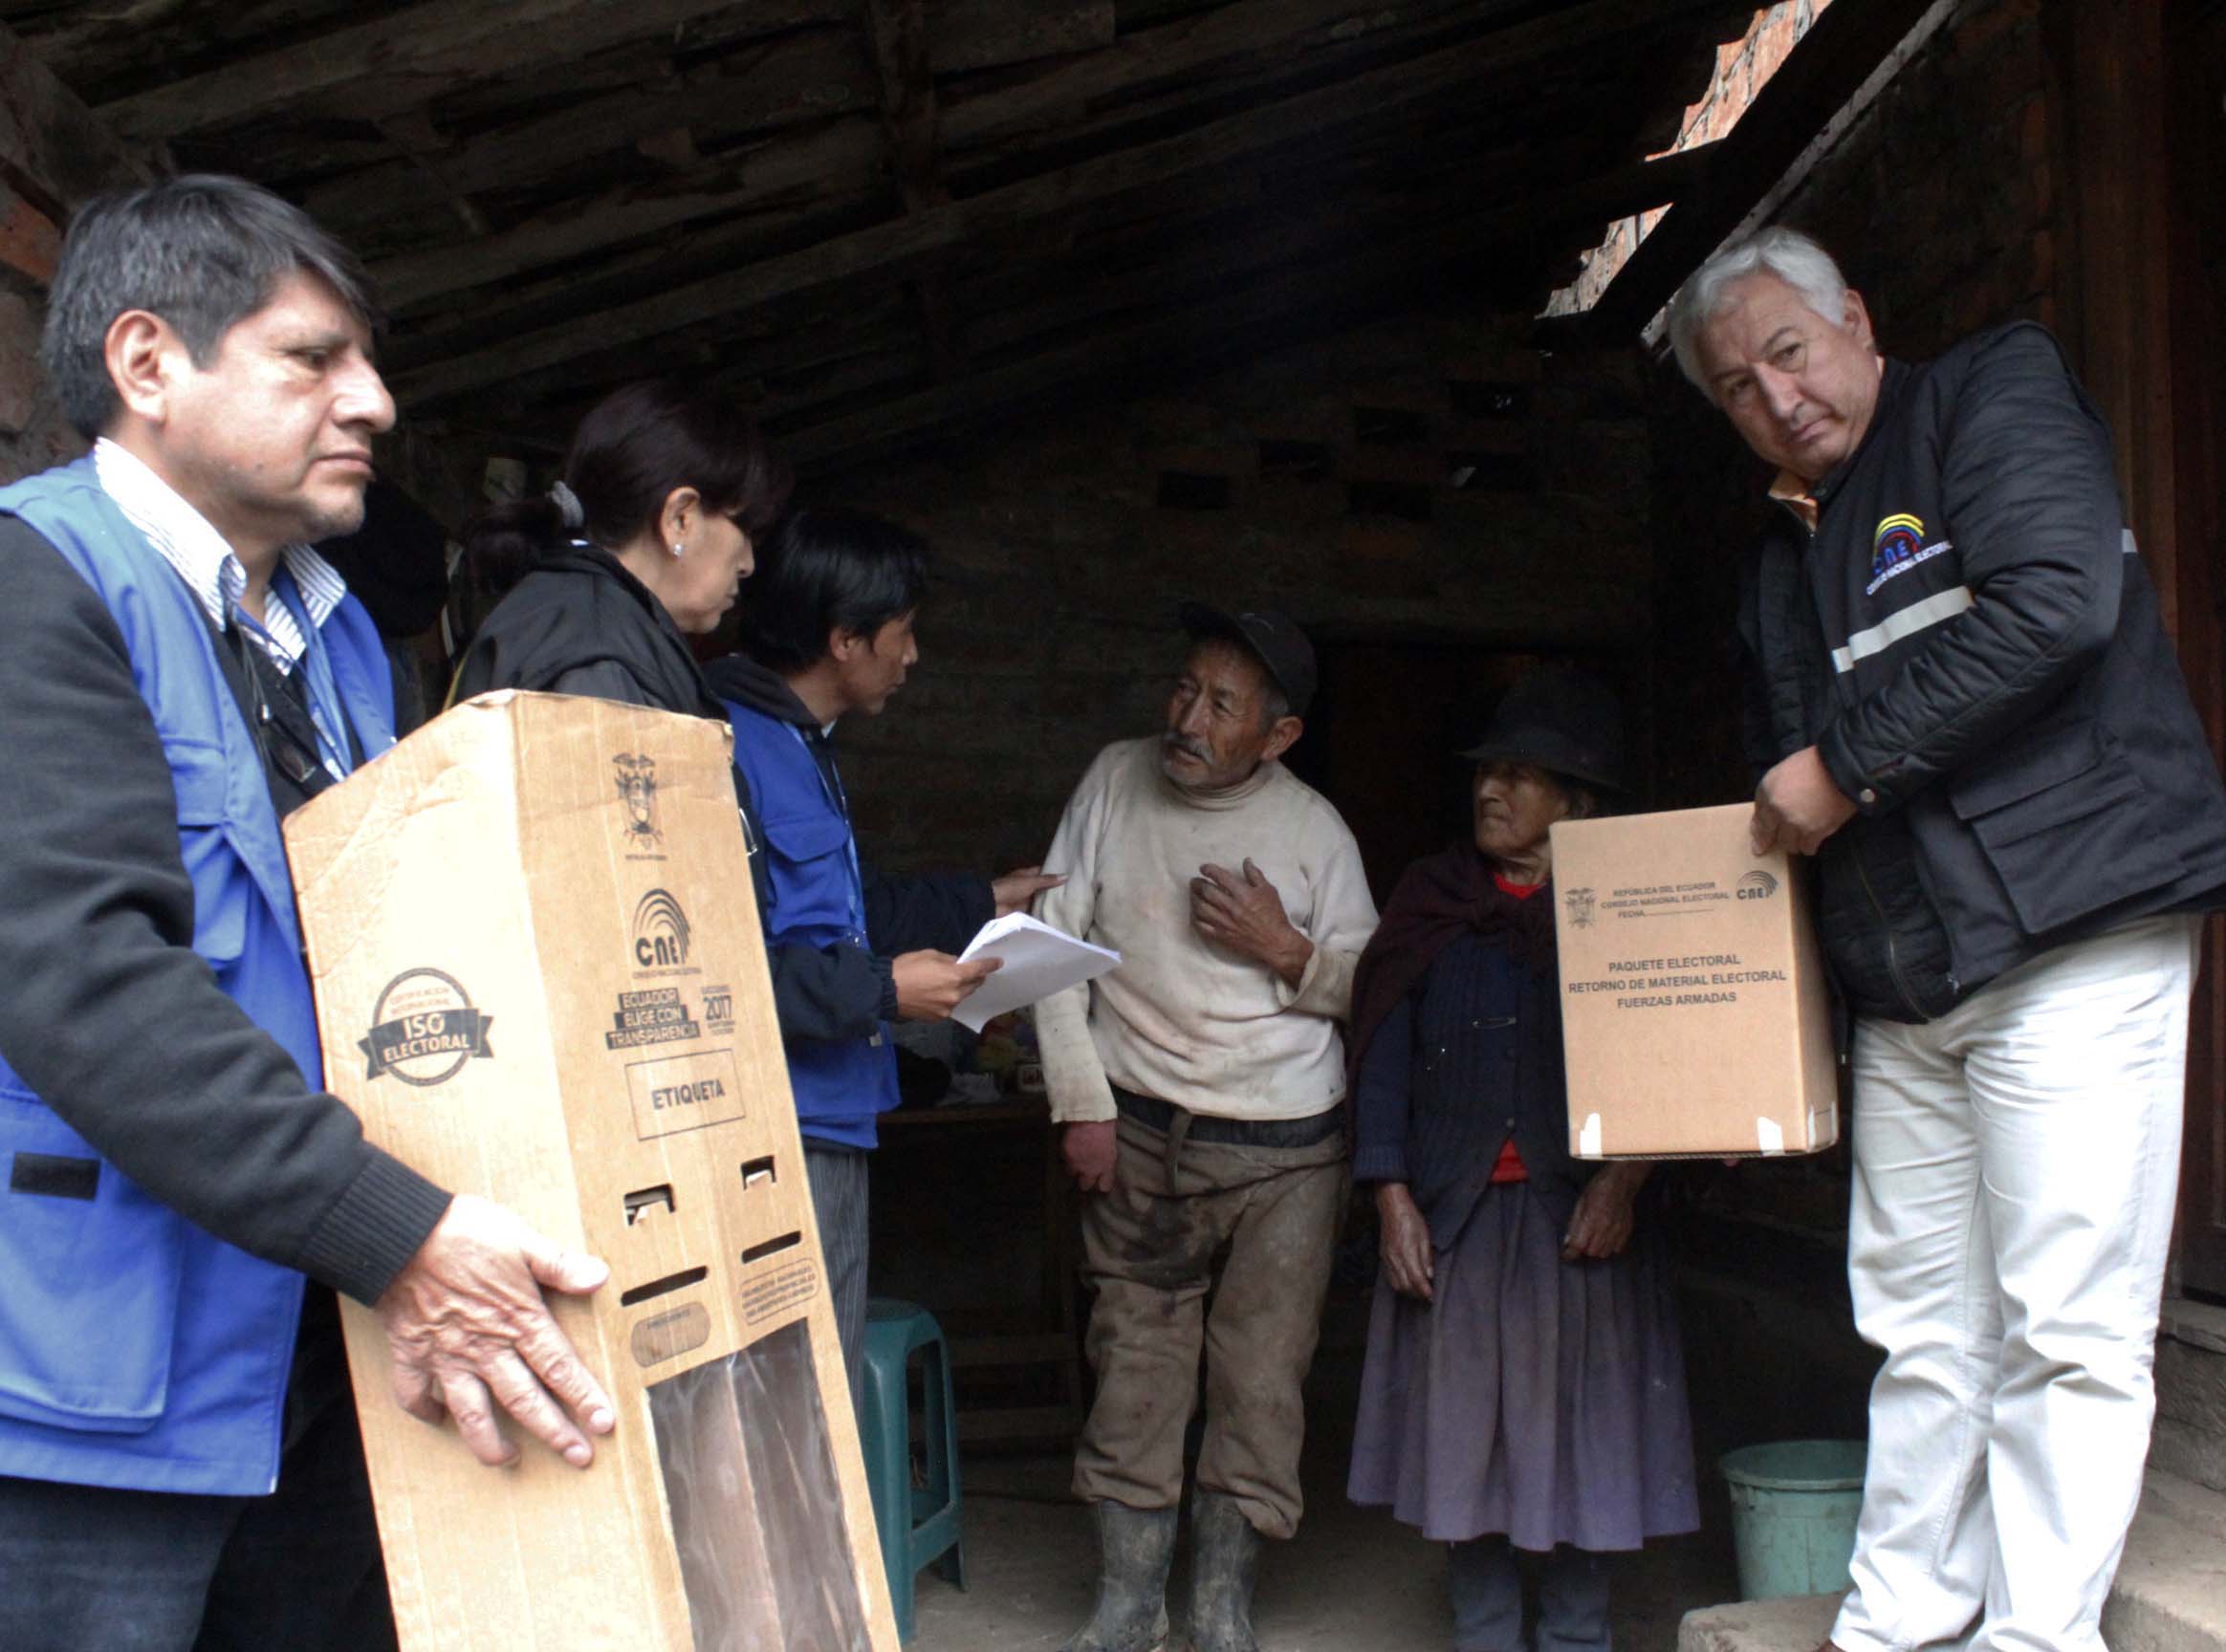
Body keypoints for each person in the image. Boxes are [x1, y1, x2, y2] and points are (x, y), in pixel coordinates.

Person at [0, 174, 619, 1652]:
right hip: (93, 1379)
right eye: (314, 357)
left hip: (318, 1340)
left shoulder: (337, 641)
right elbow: (85, 983)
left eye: (368, 360)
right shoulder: (37, 581)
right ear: (147, 363)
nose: (377, 403)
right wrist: (400, 1234)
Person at [1670, 226, 2226, 1652]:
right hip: (1905, 986)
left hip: (2070, 937)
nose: (1776, 396)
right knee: (1922, 1332)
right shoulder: (1772, 564)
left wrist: (1841, 766)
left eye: (1788, 351)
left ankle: (2036, 1637)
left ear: (1853, 317)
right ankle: (1898, 1621)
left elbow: (2057, 603)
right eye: (1737, 383)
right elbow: (1779, 807)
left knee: (2067, 1328)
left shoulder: (1988, 393)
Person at [1035, 604, 1379, 1652]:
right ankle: (1130, 1606)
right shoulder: (1112, 778)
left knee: (1260, 1380)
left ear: (1276, 736)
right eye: (1186, 688)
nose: (1186, 715)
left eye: (1221, 704)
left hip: (1287, 1152)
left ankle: (1222, 1608)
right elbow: (1048, 941)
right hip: (1137, 1132)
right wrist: (1080, 1101)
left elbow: (1379, 988)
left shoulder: (1316, 830)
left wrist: (1288, 952)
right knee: (1135, 1366)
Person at [1345, 669, 1697, 1652]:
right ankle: (1488, 1637)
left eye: (1519, 776)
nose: (1490, 792)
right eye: (1486, 774)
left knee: (1586, 1447)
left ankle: (1579, 1639)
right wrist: (1390, 1195)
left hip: (1581, 1220)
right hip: (1456, 1220)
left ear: (1576, 803)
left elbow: (1681, 1057)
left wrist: (1627, 1179)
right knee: (1466, 1455)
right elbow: (1381, 1055)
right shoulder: (1433, 900)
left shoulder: (1628, 908)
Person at [705, 506, 1060, 1385]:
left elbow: (838, 912)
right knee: (796, 1397)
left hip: (829, 1119)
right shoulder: (720, 748)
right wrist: (882, 991)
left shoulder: (797, 744)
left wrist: (979, 899)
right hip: (775, 1133)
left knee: (815, 1384)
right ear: (845, 640)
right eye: (902, 634)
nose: (913, 656)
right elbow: (718, 968)